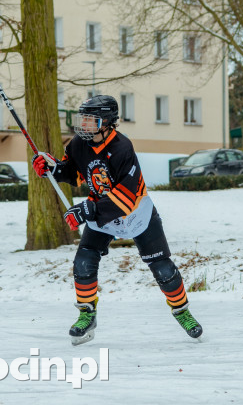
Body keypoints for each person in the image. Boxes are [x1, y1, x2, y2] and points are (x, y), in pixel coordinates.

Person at [32, 95, 203, 345]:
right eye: (83, 119)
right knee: (83, 263)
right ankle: (86, 315)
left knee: (163, 269)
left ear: (107, 122)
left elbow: (125, 196)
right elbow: (74, 173)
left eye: (91, 120)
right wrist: (53, 169)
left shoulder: (122, 148)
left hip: (135, 213)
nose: (85, 125)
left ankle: (182, 311)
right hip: (101, 214)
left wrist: (86, 210)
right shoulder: (79, 144)